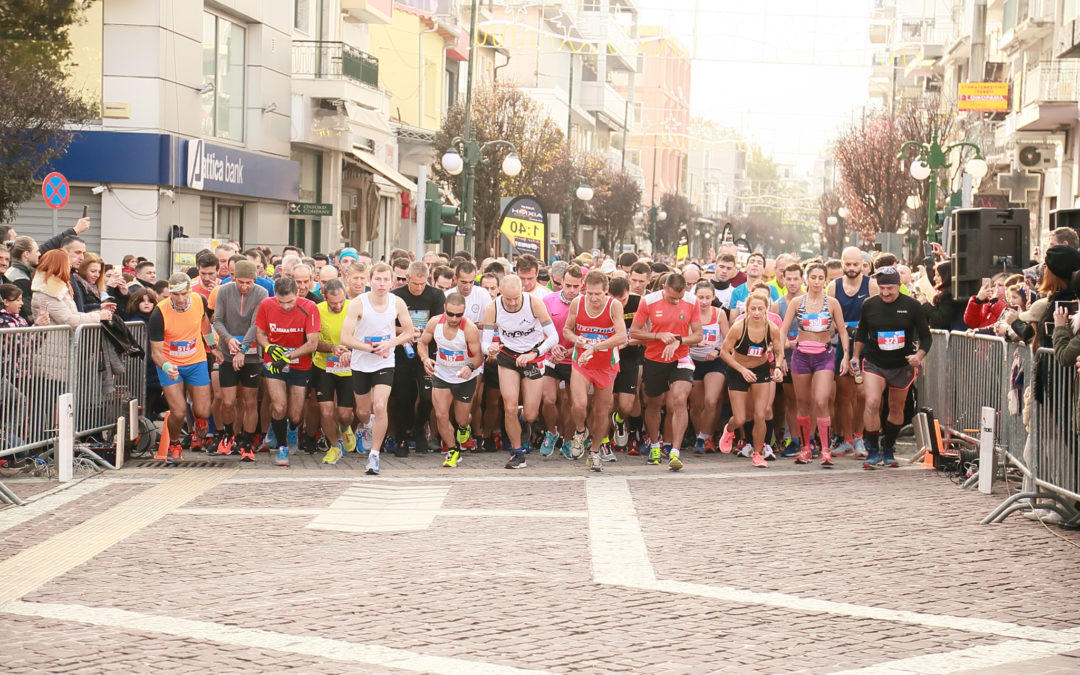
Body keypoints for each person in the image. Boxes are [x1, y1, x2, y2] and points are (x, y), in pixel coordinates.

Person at [852, 266, 932, 468]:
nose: (886, 293)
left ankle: (888, 447)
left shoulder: (912, 306)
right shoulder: (869, 305)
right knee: (871, 402)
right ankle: (872, 451)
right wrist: (854, 356)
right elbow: (861, 334)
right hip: (874, 362)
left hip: (901, 364)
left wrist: (919, 355)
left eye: (890, 288)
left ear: (899, 286)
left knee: (896, 407)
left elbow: (926, 336)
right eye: (882, 288)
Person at [341, 262, 417, 475]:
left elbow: (409, 332)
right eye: (377, 279)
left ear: (391, 282)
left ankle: (374, 455)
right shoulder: (358, 303)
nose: (381, 284)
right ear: (369, 281)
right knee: (364, 412)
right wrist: (368, 348)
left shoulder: (397, 302)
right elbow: (345, 337)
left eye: (386, 280)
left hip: (385, 361)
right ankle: (368, 424)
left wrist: (389, 344)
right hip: (361, 362)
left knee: (381, 405)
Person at [481, 274, 559, 469]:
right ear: (500, 293)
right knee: (509, 406)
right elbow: (485, 341)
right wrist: (488, 349)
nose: (513, 302)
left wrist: (535, 353)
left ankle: (521, 418)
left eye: (516, 298)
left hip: (533, 356)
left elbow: (554, 337)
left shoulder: (535, 304)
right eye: (508, 299)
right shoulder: (493, 308)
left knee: (531, 415)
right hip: (507, 356)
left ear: (522, 291)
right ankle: (516, 453)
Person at [629, 272, 703, 470]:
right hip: (655, 358)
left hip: (681, 357)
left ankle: (675, 452)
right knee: (653, 402)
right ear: (664, 288)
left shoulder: (692, 301)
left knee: (679, 400)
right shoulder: (648, 301)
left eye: (679, 297)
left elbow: (697, 335)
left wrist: (680, 340)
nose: (676, 301)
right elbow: (634, 332)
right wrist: (658, 336)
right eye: (672, 297)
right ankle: (655, 445)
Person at [780, 263, 850, 466]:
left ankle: (826, 449)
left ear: (825, 280)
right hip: (801, 355)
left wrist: (845, 356)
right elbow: (782, 331)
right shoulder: (796, 302)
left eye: (821, 278)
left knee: (821, 400)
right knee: (803, 404)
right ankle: (805, 448)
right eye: (814, 277)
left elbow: (843, 331)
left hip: (824, 355)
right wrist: (780, 357)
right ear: (807, 280)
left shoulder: (832, 303)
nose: (817, 281)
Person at [149, 274, 220, 464]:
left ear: (190, 291)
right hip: (170, 364)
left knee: (204, 411)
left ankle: (199, 422)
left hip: (196, 361)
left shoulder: (199, 300)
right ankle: (174, 444)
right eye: (175, 294)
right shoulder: (159, 313)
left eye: (184, 294)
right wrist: (166, 366)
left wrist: (213, 347)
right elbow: (155, 352)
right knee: (179, 411)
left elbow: (205, 325)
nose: (180, 299)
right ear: (169, 293)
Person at [255, 276, 320, 467]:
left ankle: (291, 428)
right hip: (274, 363)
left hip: (300, 363)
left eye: (290, 301)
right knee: (278, 406)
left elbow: (313, 343)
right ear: (275, 296)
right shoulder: (267, 304)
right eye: (281, 302)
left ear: (298, 293)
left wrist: (288, 356)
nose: (285, 306)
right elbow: (260, 333)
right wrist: (268, 348)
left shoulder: (309, 307)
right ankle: (282, 447)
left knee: (296, 414)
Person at [210, 260, 269, 460]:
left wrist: (243, 348)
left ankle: (247, 442)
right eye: (241, 282)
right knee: (227, 402)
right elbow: (217, 320)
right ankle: (228, 434)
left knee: (250, 400)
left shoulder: (261, 293)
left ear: (255, 280)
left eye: (249, 283)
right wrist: (229, 339)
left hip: (251, 354)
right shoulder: (224, 291)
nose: (245, 287)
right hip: (227, 351)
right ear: (234, 278)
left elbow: (256, 323)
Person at [718, 291, 784, 468]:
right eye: (752, 308)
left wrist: (777, 367)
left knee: (760, 414)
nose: (756, 312)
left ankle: (757, 453)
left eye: (760, 309)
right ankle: (729, 430)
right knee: (740, 418)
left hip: (760, 370)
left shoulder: (772, 328)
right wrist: (742, 369)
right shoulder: (739, 327)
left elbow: (779, 352)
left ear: (766, 310)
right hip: (738, 370)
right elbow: (724, 352)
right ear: (746, 309)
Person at [419, 292, 483, 468]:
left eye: (459, 315)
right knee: (441, 414)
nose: (454, 318)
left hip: (464, 378)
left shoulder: (469, 329)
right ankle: (453, 450)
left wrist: (469, 367)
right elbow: (422, 343)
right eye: (451, 314)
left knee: (462, 419)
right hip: (441, 375)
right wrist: (425, 359)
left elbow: (479, 357)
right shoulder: (434, 323)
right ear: (444, 309)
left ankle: (464, 429)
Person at [828, 246, 879, 458]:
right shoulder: (834, 286)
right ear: (842, 264)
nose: (851, 268)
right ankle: (845, 438)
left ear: (863, 265)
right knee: (843, 395)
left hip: (865, 343)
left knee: (862, 393)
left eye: (855, 264)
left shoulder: (872, 284)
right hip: (842, 343)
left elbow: (877, 316)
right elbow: (830, 319)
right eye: (847, 264)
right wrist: (843, 329)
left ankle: (859, 436)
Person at [390, 261, 444, 454]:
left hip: (427, 352)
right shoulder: (396, 296)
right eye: (415, 284)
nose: (419, 288)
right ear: (407, 279)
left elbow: (439, 323)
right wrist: (407, 331)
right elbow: (388, 325)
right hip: (402, 352)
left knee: (428, 398)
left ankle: (419, 427)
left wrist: (423, 333)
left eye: (423, 284)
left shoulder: (436, 295)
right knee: (402, 397)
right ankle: (401, 436)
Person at [538, 264, 583, 458]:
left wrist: (569, 350)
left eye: (576, 286)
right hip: (551, 357)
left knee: (571, 402)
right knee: (548, 400)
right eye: (568, 285)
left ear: (582, 285)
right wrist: (551, 346)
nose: (572, 290)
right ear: (561, 282)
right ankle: (552, 432)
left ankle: (568, 440)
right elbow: (538, 329)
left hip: (574, 359)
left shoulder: (585, 303)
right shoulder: (548, 300)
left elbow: (588, 337)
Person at [310, 278, 357, 465]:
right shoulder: (317, 310)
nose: (338, 306)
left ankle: (345, 428)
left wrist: (352, 350)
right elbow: (313, 342)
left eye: (341, 301)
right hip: (324, 366)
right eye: (333, 303)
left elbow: (364, 336)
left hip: (349, 368)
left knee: (345, 414)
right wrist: (332, 348)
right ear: (324, 297)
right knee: (326, 411)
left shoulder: (354, 307)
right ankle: (334, 446)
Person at [688, 281, 729, 454]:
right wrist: (694, 341)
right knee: (696, 406)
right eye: (700, 297)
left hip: (715, 361)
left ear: (713, 297)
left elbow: (728, 340)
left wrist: (717, 350)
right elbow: (682, 337)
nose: (704, 301)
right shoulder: (689, 314)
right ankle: (701, 437)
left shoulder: (719, 314)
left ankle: (705, 436)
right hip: (694, 361)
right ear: (694, 298)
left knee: (711, 400)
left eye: (707, 297)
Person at [30, 250, 113, 327]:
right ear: (59, 266)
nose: (69, 267)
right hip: (54, 341)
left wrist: (98, 313)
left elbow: (74, 315)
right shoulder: (48, 292)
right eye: (67, 264)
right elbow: (68, 320)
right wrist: (98, 316)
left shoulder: (57, 289)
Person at [4, 237, 39, 320]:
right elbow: (27, 311)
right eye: (37, 251)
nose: (39, 254)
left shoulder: (14, 272)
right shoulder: (20, 278)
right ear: (26, 254)